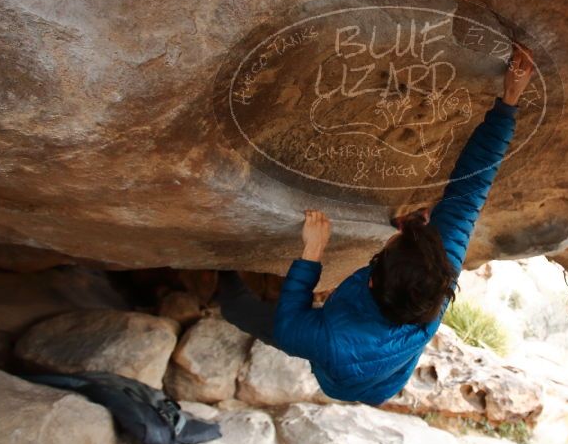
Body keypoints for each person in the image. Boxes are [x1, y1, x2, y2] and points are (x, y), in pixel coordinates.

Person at [217, 44, 535, 405]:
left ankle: (222, 277)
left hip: (340, 376)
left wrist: (312, 253)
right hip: (386, 376)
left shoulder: (327, 341)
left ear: (371, 279)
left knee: (239, 310)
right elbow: (472, 187)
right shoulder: (437, 280)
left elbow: (289, 323)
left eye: (388, 248)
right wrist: (508, 102)